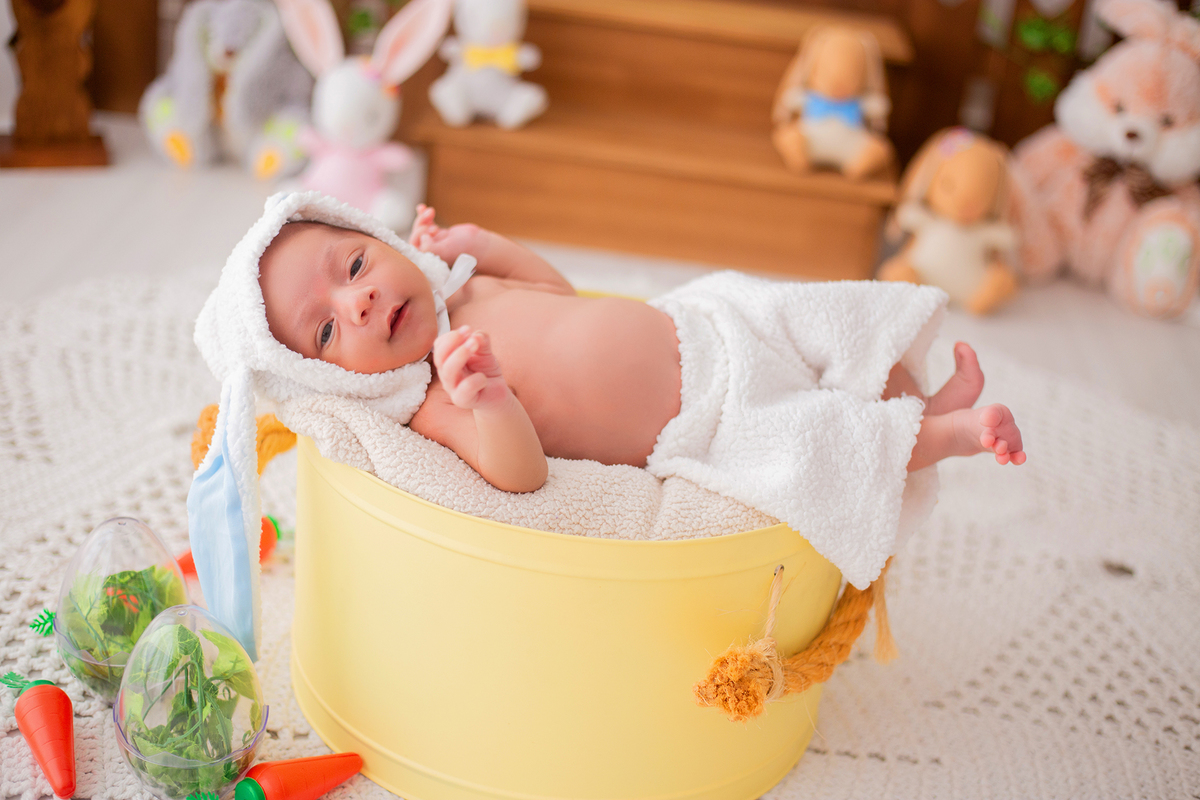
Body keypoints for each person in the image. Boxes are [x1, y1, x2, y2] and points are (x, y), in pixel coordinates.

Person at [256, 203, 1025, 496]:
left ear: (385, 243)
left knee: (816, 316)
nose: (355, 300)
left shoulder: (467, 291)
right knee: (817, 439)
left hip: (701, 325)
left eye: (355, 265)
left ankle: (916, 397)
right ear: (327, 377)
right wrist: (488, 400)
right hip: (701, 420)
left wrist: (487, 245)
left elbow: (557, 294)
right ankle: (940, 437)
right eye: (326, 330)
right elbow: (518, 474)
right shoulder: (433, 398)